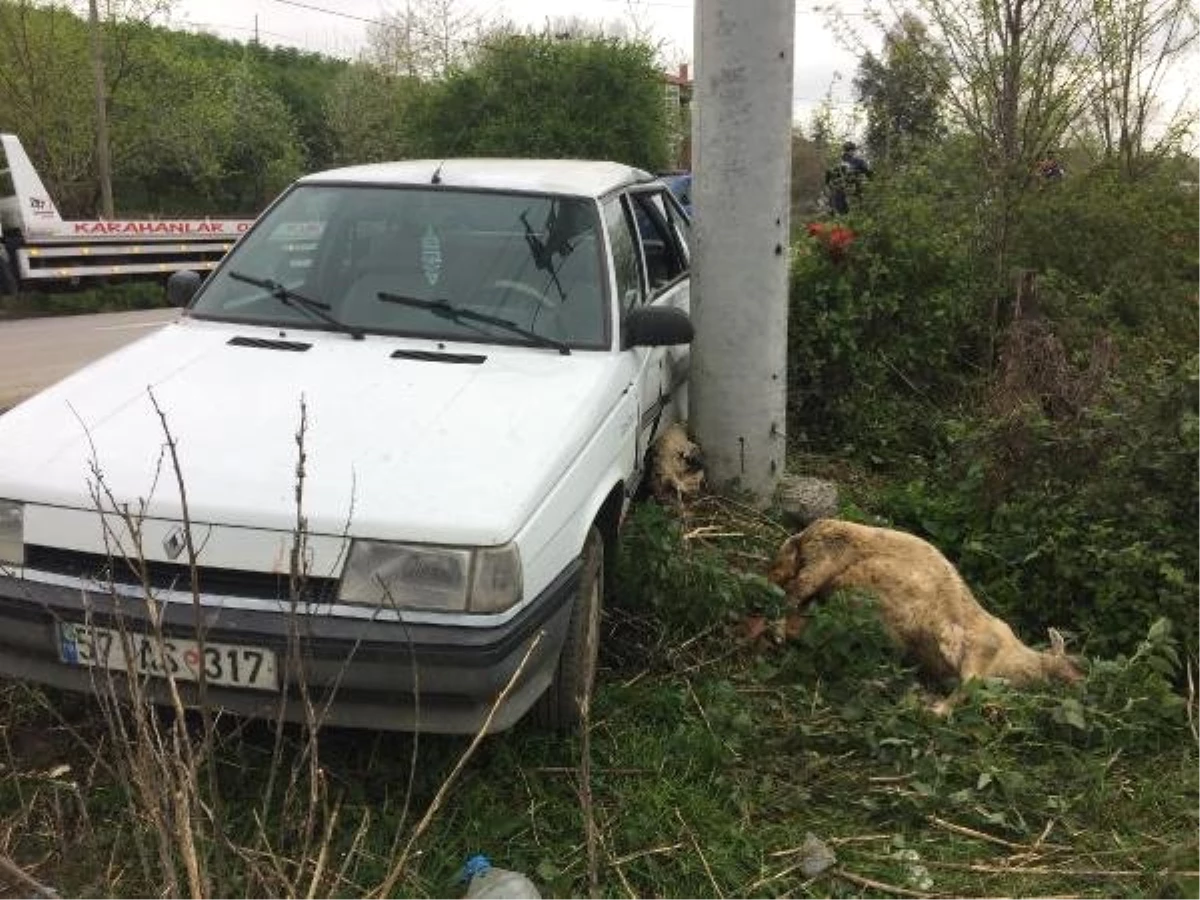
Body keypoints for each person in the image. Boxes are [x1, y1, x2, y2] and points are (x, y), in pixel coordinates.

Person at [824, 141, 872, 215]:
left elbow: (827, 178)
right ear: (852, 151)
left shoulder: (836, 163)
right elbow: (869, 173)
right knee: (856, 214)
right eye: (853, 150)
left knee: (842, 215)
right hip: (854, 193)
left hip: (839, 194)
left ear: (844, 150)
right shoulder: (858, 162)